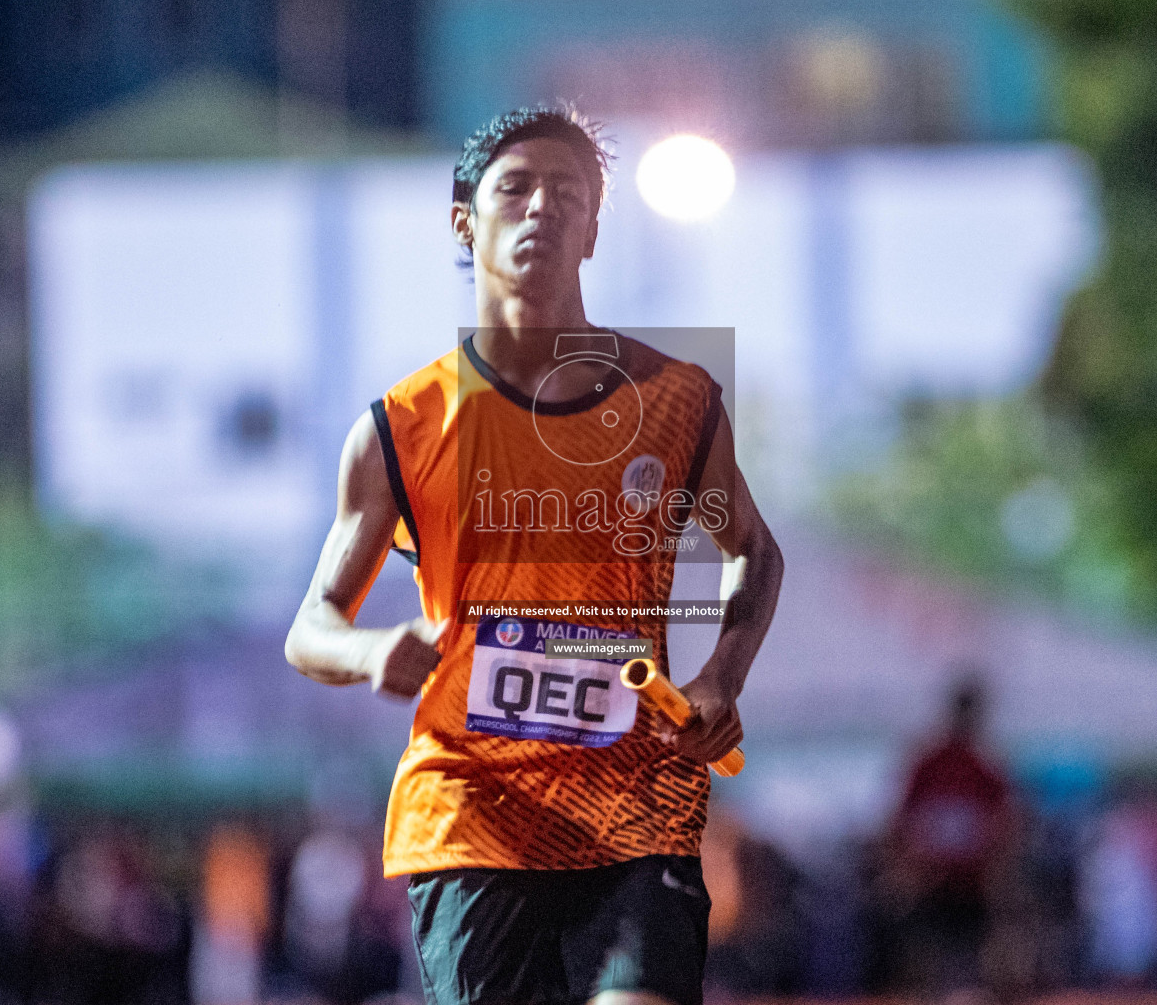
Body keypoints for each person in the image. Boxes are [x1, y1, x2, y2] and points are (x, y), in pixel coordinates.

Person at [285, 106, 783, 1005]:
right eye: (515, 189)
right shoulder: (403, 427)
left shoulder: (676, 403)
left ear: (594, 229)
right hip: (474, 812)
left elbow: (753, 555)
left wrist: (722, 678)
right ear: (464, 220)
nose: (542, 209)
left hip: (638, 801)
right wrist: (368, 651)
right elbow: (311, 627)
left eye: (569, 194)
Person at [879, 674, 1013, 999]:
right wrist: (904, 870)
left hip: (969, 886)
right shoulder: (931, 765)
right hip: (931, 884)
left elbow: (1003, 829)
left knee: (968, 969)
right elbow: (901, 823)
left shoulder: (984, 769)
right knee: (927, 968)